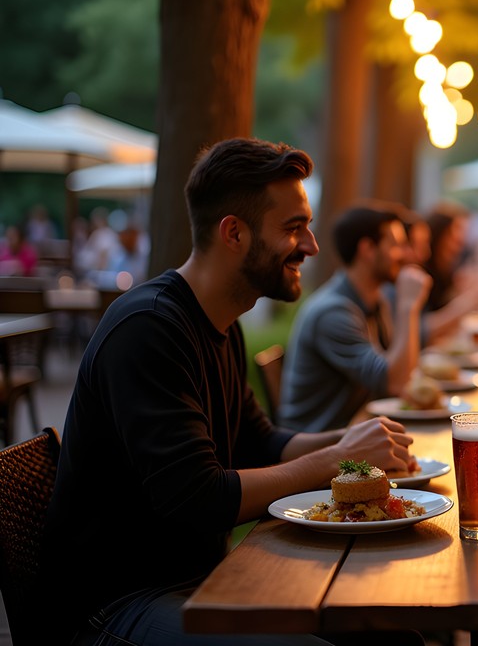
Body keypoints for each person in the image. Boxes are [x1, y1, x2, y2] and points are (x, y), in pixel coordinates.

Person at [40, 139, 421, 646]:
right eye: (293, 228)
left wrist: (362, 448)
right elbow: (201, 498)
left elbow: (260, 443)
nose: (310, 245)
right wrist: (337, 458)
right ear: (234, 233)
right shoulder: (148, 328)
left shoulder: (221, 323)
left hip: (202, 584)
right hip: (116, 608)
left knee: (392, 633)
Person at [278, 205, 432, 432]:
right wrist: (409, 306)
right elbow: (396, 383)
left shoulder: (375, 300)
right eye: (396, 245)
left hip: (355, 431)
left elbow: (401, 374)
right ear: (368, 249)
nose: (406, 254)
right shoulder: (333, 312)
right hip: (319, 447)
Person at [421, 201, 478, 342]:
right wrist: (471, 298)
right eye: (456, 230)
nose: (461, 240)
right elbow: (423, 330)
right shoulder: (420, 273)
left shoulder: (446, 270)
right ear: (438, 234)